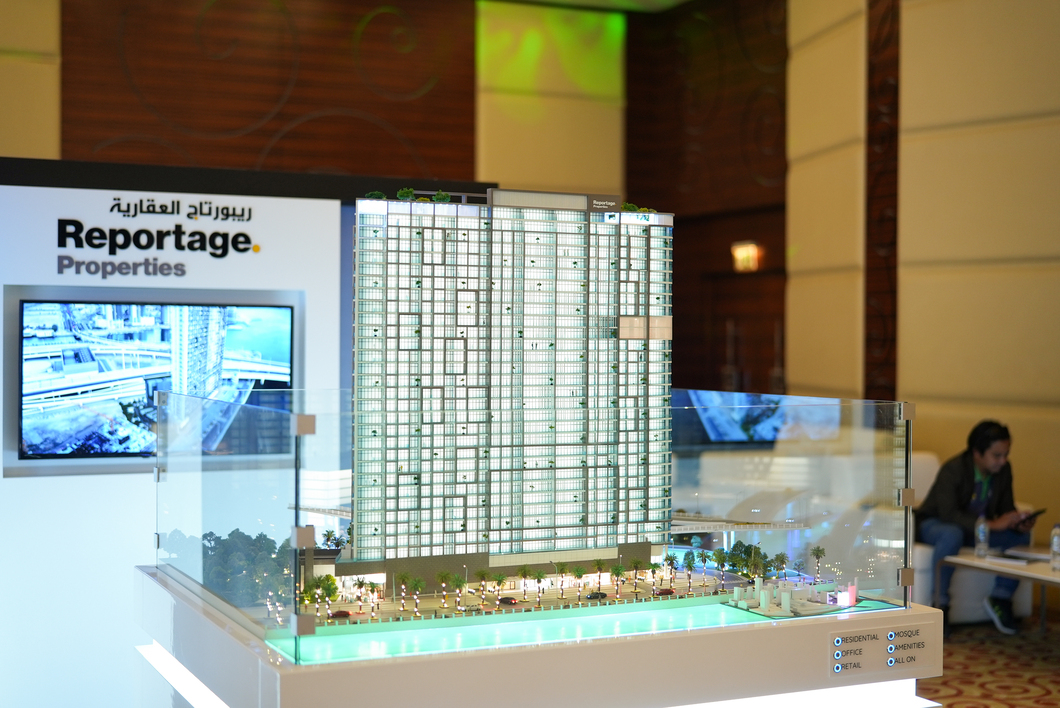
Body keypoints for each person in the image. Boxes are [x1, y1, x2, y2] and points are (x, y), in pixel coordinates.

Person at [916, 420, 1036, 635]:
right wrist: (991, 524)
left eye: (1006, 454)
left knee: (1019, 538)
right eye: (997, 455)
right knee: (952, 534)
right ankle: (940, 604)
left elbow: (1006, 508)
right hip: (937, 524)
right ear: (977, 453)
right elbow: (948, 514)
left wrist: (1018, 522)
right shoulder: (953, 469)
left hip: (974, 531)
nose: (1003, 461)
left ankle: (1000, 598)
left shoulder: (1003, 470)